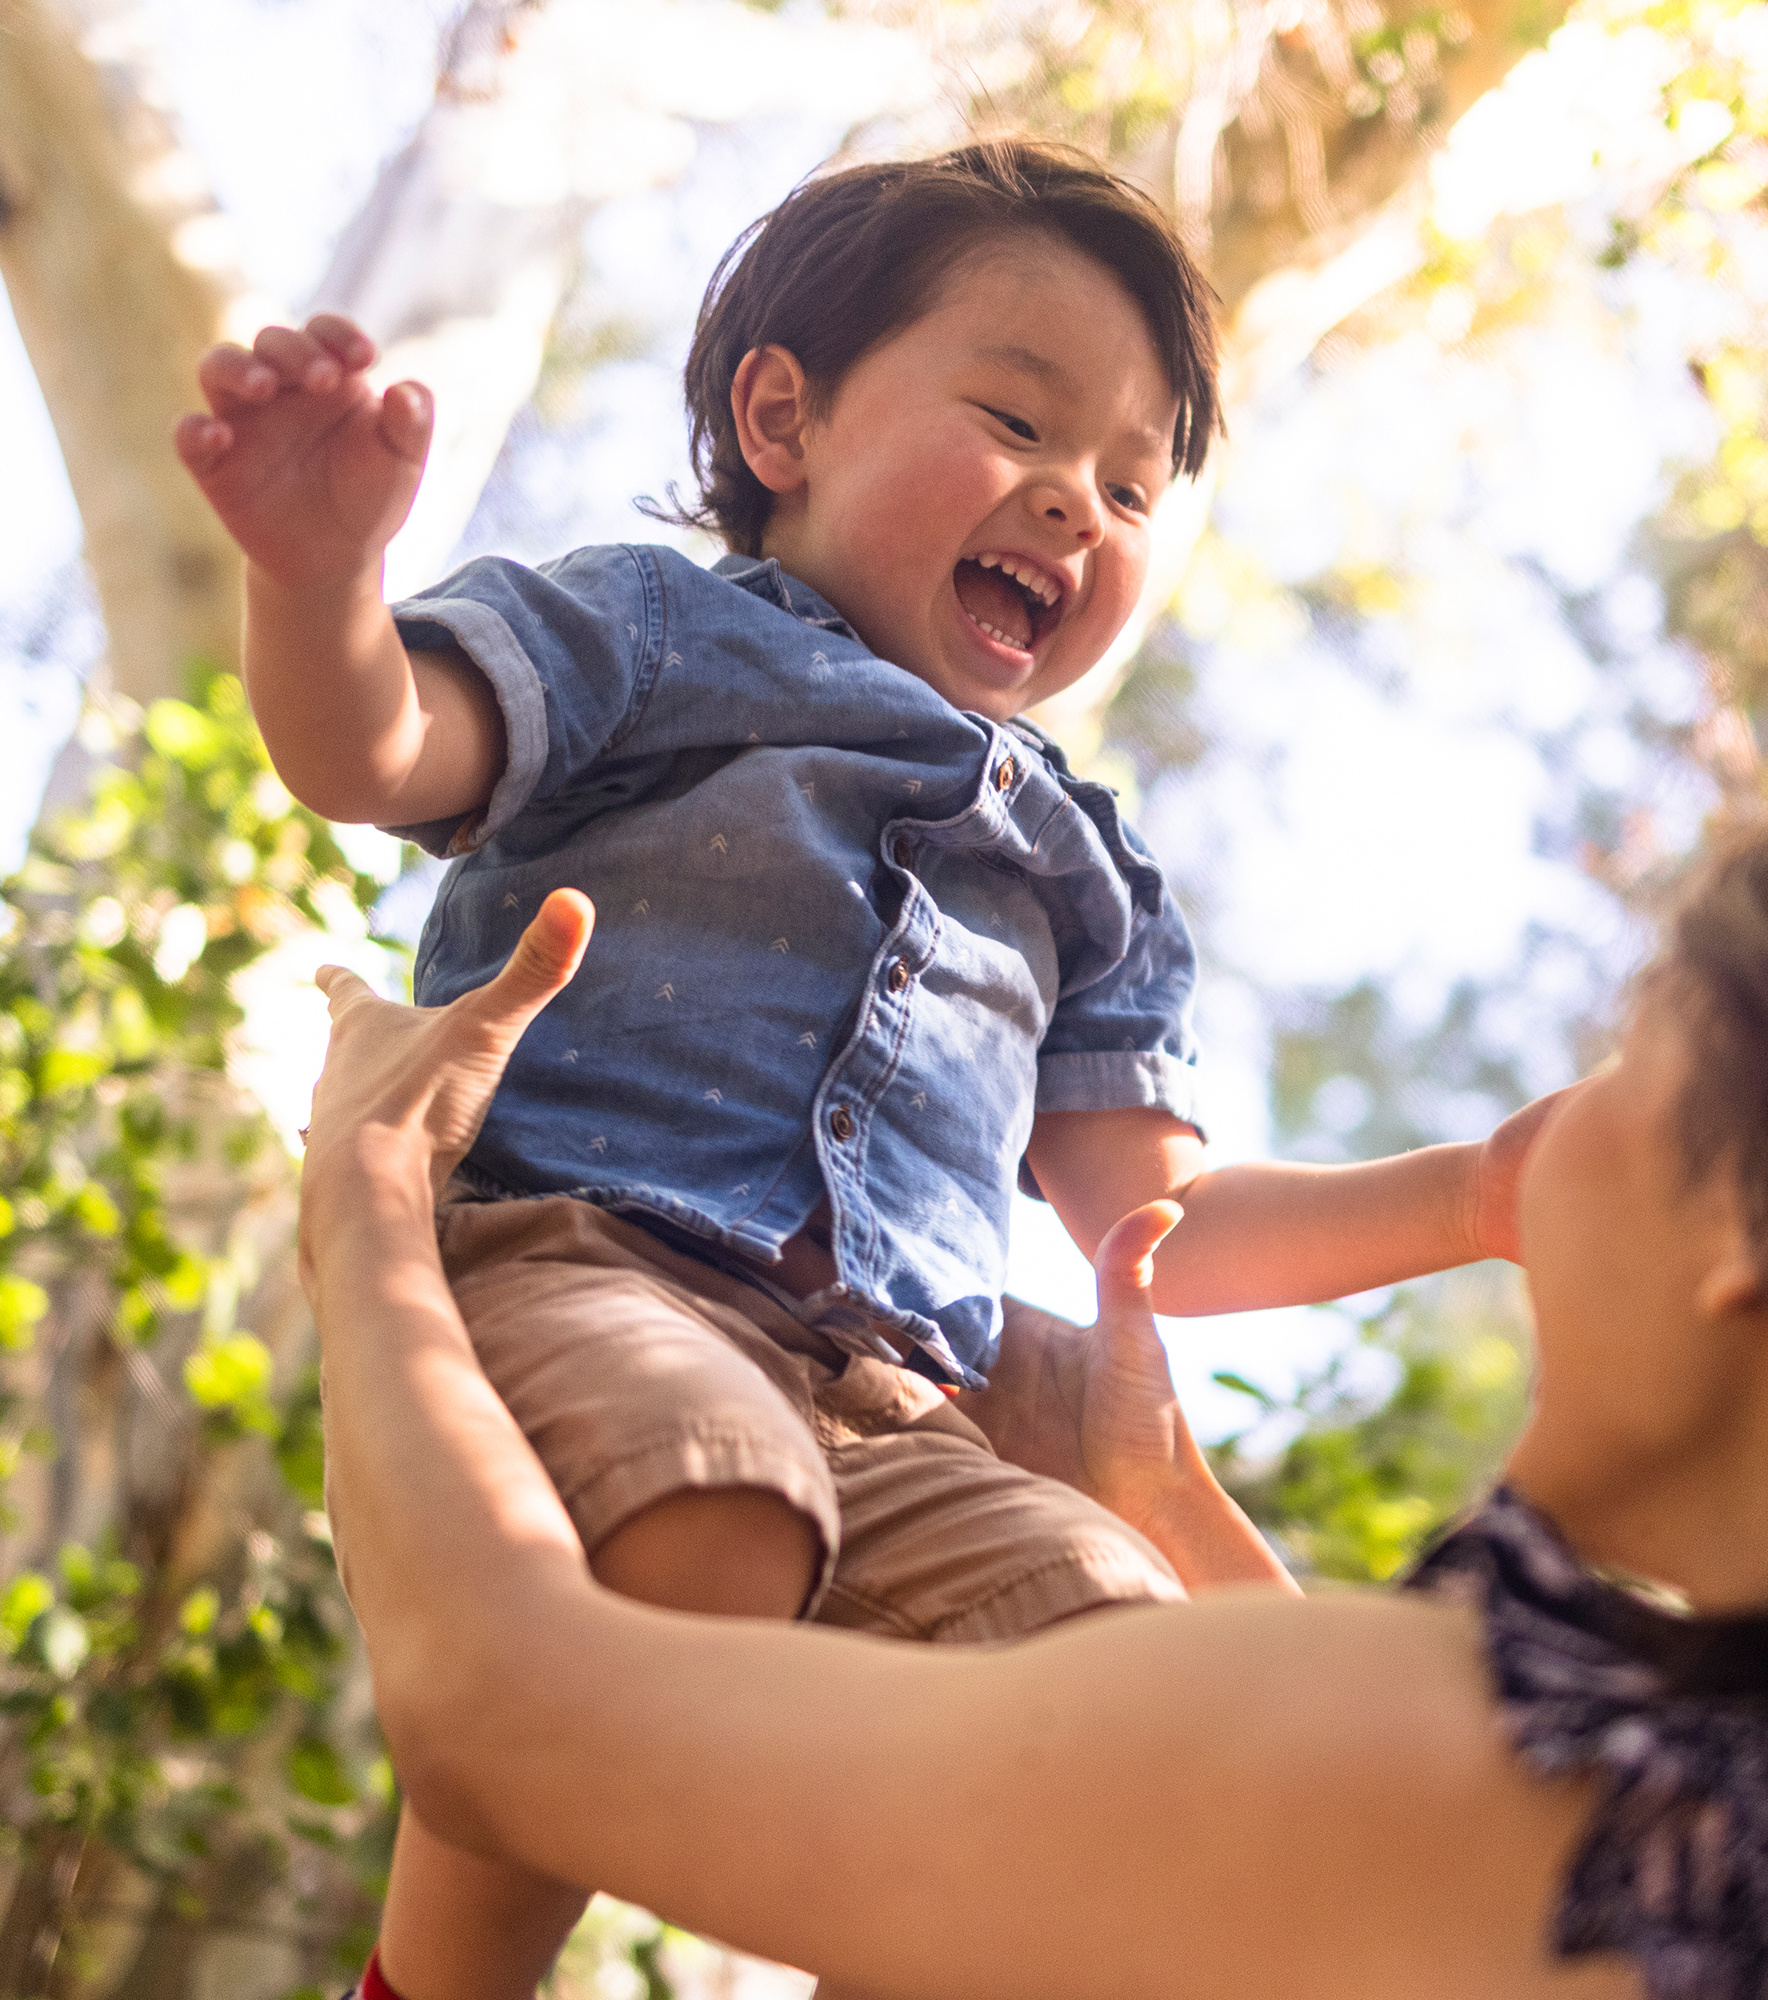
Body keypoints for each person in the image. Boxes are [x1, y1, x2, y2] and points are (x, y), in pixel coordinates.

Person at [302, 732, 1768, 1999]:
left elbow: (518, 1707)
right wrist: (1172, 1521)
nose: (1547, 1141)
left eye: (1639, 1039)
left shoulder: (1569, 1797)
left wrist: (374, 1199)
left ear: (1766, 1207)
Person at [176, 140, 1547, 1995]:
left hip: (898, 1397)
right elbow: (380, 746)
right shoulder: (661, 633)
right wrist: (322, 576)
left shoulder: (1091, 872)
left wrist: (1477, 1196)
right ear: (782, 418)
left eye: (1133, 486)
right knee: (713, 1516)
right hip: (586, 1262)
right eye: (1018, 423)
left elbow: (1164, 1225)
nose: (1077, 504)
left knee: (1122, 1679)